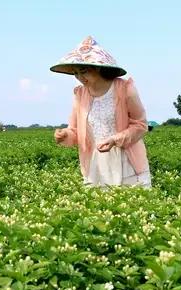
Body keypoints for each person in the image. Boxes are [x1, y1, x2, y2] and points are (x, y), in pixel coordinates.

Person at [51, 36, 151, 188]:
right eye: (76, 73)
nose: (79, 77)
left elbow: (140, 125)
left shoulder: (125, 89)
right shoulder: (79, 94)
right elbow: (75, 131)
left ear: (98, 67)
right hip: (95, 163)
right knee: (98, 207)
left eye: (83, 71)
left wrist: (115, 140)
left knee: (133, 203)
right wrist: (65, 134)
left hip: (127, 160)